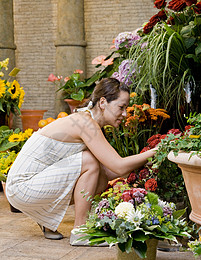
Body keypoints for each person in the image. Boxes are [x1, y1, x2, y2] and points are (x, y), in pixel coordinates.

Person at [6, 78, 157, 244]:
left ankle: (46, 219)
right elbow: (119, 166)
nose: (124, 114)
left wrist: (145, 162)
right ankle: (81, 232)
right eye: (121, 107)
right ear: (103, 102)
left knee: (99, 176)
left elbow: (108, 172)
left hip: (24, 188)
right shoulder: (86, 124)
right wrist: (155, 151)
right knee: (90, 162)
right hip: (21, 187)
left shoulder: (86, 120)